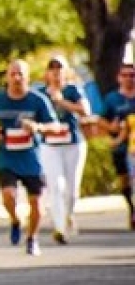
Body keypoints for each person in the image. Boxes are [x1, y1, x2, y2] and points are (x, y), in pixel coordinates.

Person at [0, 59, 59, 256]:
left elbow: (55, 126)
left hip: (31, 158)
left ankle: (32, 238)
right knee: (9, 195)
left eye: (21, 74)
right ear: (7, 77)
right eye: (13, 74)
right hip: (7, 156)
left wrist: (38, 127)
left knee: (37, 205)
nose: (17, 78)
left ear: (28, 78)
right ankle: (15, 220)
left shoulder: (37, 100)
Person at [37, 56, 91, 243]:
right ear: (47, 73)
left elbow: (85, 111)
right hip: (50, 145)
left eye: (59, 68)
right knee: (56, 186)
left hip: (73, 143)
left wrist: (61, 101)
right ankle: (59, 228)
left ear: (66, 71)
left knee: (72, 189)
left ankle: (69, 215)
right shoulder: (41, 93)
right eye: (51, 68)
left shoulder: (73, 90)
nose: (55, 71)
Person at [100, 63, 135, 230]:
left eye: (132, 75)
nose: (129, 78)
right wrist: (111, 128)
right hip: (121, 145)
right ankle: (131, 207)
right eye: (125, 75)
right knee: (125, 179)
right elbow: (101, 119)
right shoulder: (112, 99)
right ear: (119, 78)